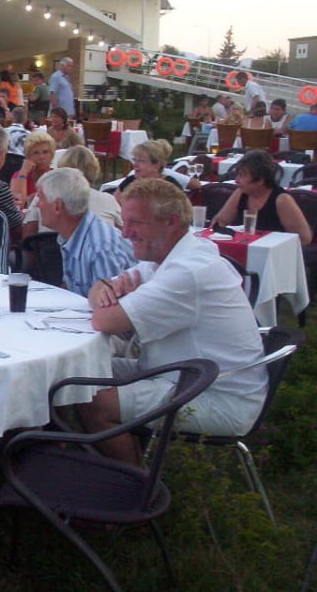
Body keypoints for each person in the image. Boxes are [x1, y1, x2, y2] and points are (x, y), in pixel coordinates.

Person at [79, 179, 266, 463]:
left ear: (171, 222)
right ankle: (73, 454)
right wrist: (106, 290)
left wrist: (107, 299)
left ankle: (133, 483)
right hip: (177, 373)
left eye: (135, 222)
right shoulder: (168, 256)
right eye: (124, 222)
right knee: (74, 370)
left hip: (217, 396)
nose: (125, 233)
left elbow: (104, 321)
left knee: (92, 401)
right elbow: (98, 289)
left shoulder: (187, 271)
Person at [34, 168, 136, 296]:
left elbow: (112, 302)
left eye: (40, 198)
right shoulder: (71, 234)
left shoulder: (100, 247)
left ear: (57, 206)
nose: (37, 205)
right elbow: (70, 288)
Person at [209, 150, 312, 246]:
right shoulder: (240, 193)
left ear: (260, 180)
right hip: (244, 246)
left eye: (242, 175)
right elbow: (220, 222)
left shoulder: (282, 200)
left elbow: (304, 238)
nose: (236, 180)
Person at [116, 139, 198, 202]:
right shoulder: (130, 181)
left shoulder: (170, 186)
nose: (135, 165)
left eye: (141, 161)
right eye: (135, 160)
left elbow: (182, 212)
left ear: (157, 165)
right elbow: (115, 203)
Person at [10, 129, 55, 205]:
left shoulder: (56, 176)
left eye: (45, 152)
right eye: (36, 153)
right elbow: (18, 205)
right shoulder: (20, 175)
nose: (41, 157)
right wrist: (23, 172)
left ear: (51, 154)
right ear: (28, 156)